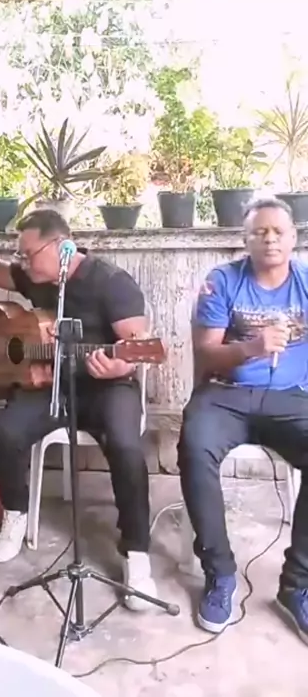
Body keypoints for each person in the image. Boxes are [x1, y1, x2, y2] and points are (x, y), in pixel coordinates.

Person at [0, 208, 156, 609]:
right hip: (51, 385)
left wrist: (119, 365)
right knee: (3, 433)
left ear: (62, 247)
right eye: (20, 254)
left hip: (107, 386)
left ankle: (136, 551)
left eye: (28, 253)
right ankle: (14, 512)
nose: (22, 261)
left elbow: (139, 348)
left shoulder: (112, 283)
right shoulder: (38, 276)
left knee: (126, 446)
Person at [178, 197, 308, 642]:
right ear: (246, 239)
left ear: (293, 238)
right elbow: (206, 353)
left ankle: (297, 586)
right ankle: (220, 573)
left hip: (291, 397)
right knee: (195, 447)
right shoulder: (222, 281)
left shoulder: (305, 282)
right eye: (259, 232)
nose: (270, 239)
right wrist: (253, 347)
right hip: (225, 394)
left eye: (278, 231)